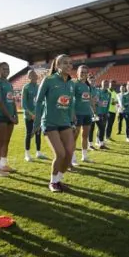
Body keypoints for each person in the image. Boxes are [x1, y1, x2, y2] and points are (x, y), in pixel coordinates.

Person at [33, 54, 75, 192]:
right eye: (64, 63)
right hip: (50, 123)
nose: (68, 65)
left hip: (65, 123)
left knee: (69, 154)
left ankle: (58, 180)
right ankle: (52, 182)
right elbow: (38, 101)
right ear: (57, 66)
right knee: (60, 154)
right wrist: (37, 122)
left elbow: (70, 104)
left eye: (70, 63)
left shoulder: (70, 83)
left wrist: (72, 119)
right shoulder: (49, 80)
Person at [0, 62, 18, 175]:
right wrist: (10, 117)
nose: (6, 71)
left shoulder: (9, 84)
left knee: (6, 141)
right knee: (0, 141)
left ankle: (4, 165)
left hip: (10, 117)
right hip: (0, 116)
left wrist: (15, 115)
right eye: (4, 69)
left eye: (8, 69)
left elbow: (12, 101)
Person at [22, 70, 46, 162]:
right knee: (29, 134)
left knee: (38, 134)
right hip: (29, 116)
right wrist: (31, 114)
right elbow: (24, 104)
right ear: (28, 77)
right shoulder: (26, 87)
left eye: (35, 74)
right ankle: (27, 154)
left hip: (38, 116)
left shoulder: (39, 87)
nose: (34, 76)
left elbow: (42, 102)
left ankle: (38, 152)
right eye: (31, 75)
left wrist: (39, 114)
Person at [71, 65, 94, 165]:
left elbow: (89, 99)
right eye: (81, 72)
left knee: (85, 135)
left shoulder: (88, 86)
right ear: (77, 73)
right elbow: (71, 100)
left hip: (87, 114)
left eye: (85, 72)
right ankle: (72, 158)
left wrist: (93, 111)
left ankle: (84, 156)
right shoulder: (74, 84)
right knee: (74, 136)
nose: (83, 74)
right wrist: (73, 114)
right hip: (78, 113)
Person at [96, 80, 112, 149]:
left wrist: (107, 111)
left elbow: (108, 103)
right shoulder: (98, 91)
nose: (106, 85)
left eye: (107, 84)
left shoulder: (109, 93)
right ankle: (100, 142)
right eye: (104, 84)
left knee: (102, 127)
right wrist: (100, 103)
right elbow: (96, 102)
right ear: (101, 84)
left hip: (105, 113)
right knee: (101, 127)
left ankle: (99, 141)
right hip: (98, 112)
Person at [87, 74, 99, 150]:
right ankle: (89, 144)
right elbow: (89, 100)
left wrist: (96, 101)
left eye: (94, 80)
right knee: (87, 129)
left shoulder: (95, 89)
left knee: (92, 128)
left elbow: (96, 100)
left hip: (94, 111)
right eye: (91, 80)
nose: (92, 81)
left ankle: (90, 144)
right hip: (87, 111)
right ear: (88, 80)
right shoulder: (87, 88)